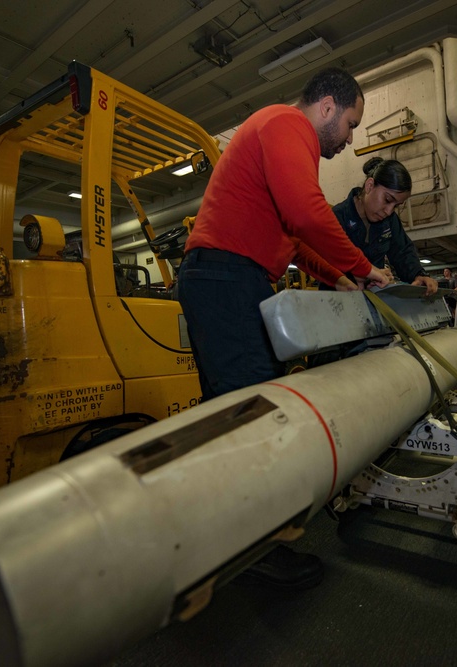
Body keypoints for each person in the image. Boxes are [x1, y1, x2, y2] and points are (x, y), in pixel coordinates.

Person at [176, 67, 390, 591]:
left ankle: (225, 533)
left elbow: (295, 238)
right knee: (252, 414)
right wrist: (364, 267)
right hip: (226, 277)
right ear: (327, 107)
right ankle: (254, 552)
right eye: (351, 124)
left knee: (236, 411)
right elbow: (308, 214)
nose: (350, 139)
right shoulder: (285, 125)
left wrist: (340, 278)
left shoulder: (283, 140)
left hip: (229, 277)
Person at [325, 157, 437, 295]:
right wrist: (364, 273)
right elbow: (325, 264)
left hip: (372, 299)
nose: (389, 211)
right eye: (387, 200)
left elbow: (402, 252)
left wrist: (418, 274)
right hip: (336, 300)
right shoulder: (336, 217)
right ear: (369, 186)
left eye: (396, 206)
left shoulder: (390, 220)